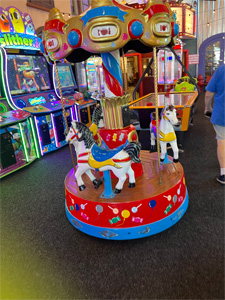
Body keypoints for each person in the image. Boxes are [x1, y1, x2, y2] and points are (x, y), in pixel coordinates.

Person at [204, 64, 225, 184]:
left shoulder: (221, 70)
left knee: (222, 141)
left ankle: (224, 173)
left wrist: (207, 108)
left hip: (222, 112)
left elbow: (208, 94)